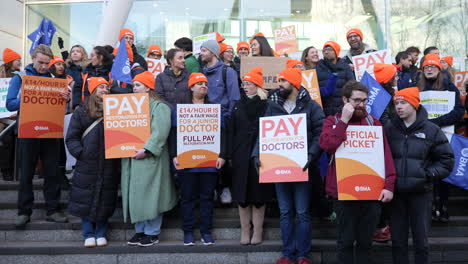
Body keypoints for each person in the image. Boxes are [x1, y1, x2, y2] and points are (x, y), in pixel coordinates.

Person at [319, 80, 396, 264]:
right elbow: (327, 145)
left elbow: (385, 156)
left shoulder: (374, 123)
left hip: (371, 193)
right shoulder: (333, 121)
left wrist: (389, 184)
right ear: (345, 100)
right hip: (343, 194)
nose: (361, 105)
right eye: (356, 100)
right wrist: (344, 121)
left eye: (364, 100)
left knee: (365, 244)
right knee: (345, 242)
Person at [253, 68, 324, 264]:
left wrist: (312, 154)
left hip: (302, 167)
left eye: (283, 81)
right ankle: (287, 254)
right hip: (278, 167)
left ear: (294, 83)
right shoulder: (272, 105)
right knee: (285, 212)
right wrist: (256, 154)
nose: (279, 85)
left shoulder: (311, 107)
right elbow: (263, 132)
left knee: (302, 212)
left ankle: (303, 255)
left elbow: (320, 133)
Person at [384, 87, 454, 264]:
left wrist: (427, 174)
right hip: (396, 194)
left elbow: (446, 160)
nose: (399, 107)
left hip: (421, 194)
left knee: (421, 243)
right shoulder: (389, 129)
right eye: (396, 103)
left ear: (415, 104)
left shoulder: (432, 130)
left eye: (403, 103)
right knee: (398, 243)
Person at [6, 44, 69, 227]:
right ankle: (24, 212)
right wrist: (30, 95)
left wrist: (65, 97)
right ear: (33, 59)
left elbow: (60, 107)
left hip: (49, 131)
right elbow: (10, 104)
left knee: (52, 172)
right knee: (26, 173)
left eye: (46, 63)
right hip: (28, 131)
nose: (43, 66)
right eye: (40, 62)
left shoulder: (52, 79)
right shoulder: (20, 77)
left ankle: (53, 210)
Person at [170, 72, 227, 246]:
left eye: (206, 84)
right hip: (187, 163)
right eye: (200, 83)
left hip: (209, 163)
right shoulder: (180, 109)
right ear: (191, 87)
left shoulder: (215, 109)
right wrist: (174, 155)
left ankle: (206, 231)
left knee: (207, 198)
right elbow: (173, 134)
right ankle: (188, 232)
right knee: (187, 197)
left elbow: (223, 134)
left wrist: (223, 155)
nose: (204, 86)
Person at [122, 71, 177, 247]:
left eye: (137, 85)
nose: (134, 88)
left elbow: (159, 133)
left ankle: (152, 232)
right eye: (133, 85)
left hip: (150, 158)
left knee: (152, 195)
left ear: (147, 87)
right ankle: (140, 230)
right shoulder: (130, 106)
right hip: (132, 157)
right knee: (136, 195)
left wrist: (146, 150)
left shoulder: (159, 107)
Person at [66, 77, 119, 247]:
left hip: (109, 163)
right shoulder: (81, 111)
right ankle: (88, 233)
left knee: (106, 197)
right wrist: (81, 153)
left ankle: (101, 232)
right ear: (93, 90)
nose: (105, 90)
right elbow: (72, 137)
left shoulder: (118, 109)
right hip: (87, 163)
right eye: (101, 87)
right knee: (85, 198)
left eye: (107, 87)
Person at [229, 67, 274, 245]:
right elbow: (231, 130)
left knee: (258, 195)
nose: (245, 87)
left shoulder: (267, 105)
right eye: (244, 84)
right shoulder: (237, 104)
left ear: (257, 86)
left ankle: (258, 230)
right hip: (240, 156)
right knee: (242, 196)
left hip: (259, 156)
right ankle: (245, 230)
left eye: (248, 84)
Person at [417, 54, 464, 222]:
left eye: (433, 67)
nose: (429, 69)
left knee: (443, 172)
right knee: (426, 170)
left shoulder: (450, 88)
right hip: (422, 137)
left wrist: (435, 122)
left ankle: (442, 206)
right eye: (426, 67)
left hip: (444, 136)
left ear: (439, 69)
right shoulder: (417, 88)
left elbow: (458, 112)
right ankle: (429, 207)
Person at [200, 39, 240, 204]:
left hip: (223, 121)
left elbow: (234, 98)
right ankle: (214, 188)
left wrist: (228, 117)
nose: (201, 53)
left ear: (213, 52)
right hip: (205, 121)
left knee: (224, 156)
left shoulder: (227, 72)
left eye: (204, 50)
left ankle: (225, 188)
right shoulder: (202, 72)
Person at [316, 41, 355, 116]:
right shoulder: (317, 69)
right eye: (324, 50)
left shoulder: (345, 67)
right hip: (324, 112)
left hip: (343, 110)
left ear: (336, 52)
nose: (326, 52)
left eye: (329, 49)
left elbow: (352, 87)